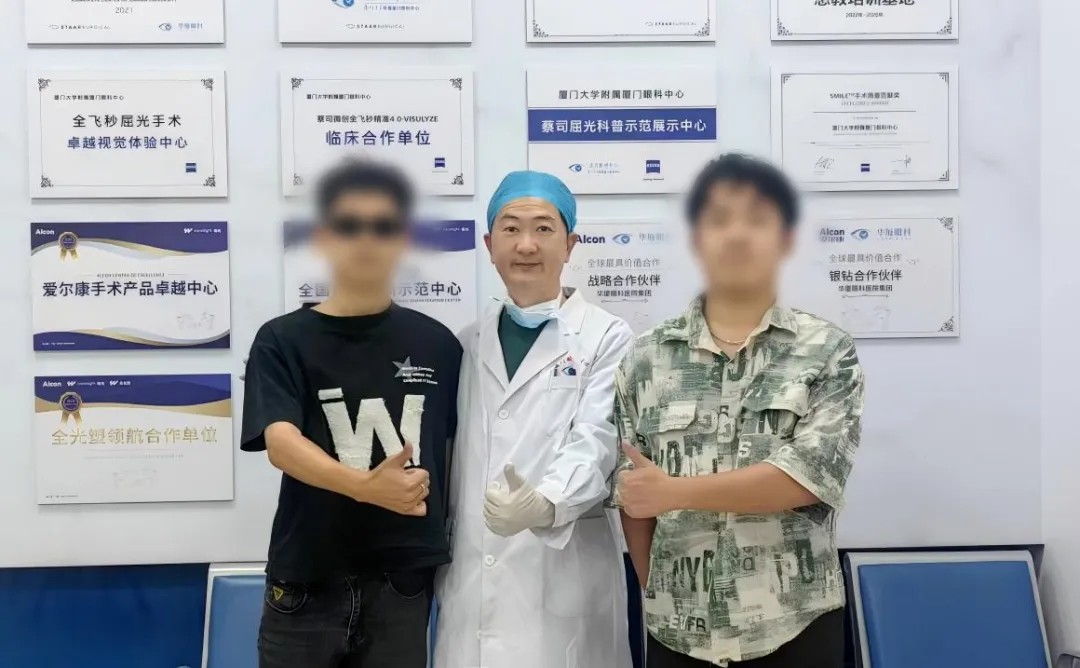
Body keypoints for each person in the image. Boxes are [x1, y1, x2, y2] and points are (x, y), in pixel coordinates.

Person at [613, 154, 865, 668]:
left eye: (757, 218)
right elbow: (634, 494)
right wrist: (659, 586)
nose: (737, 234)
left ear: (785, 238)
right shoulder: (645, 357)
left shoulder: (826, 350)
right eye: (720, 219)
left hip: (795, 625)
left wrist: (674, 493)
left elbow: (808, 478)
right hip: (678, 631)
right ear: (696, 238)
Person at [240, 160, 461, 668]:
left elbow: (457, 449)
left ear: (403, 241)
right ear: (323, 238)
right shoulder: (281, 340)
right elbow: (280, 442)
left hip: (402, 583)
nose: (365, 240)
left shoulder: (439, 345)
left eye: (382, 226)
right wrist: (365, 486)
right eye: (348, 225)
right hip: (307, 580)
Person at [434, 171, 636, 668]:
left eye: (544, 228)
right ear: (489, 245)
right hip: (472, 581)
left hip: (565, 576)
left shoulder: (607, 337)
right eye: (510, 228)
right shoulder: (466, 342)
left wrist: (546, 504)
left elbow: (599, 439)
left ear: (570, 245)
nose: (526, 245)